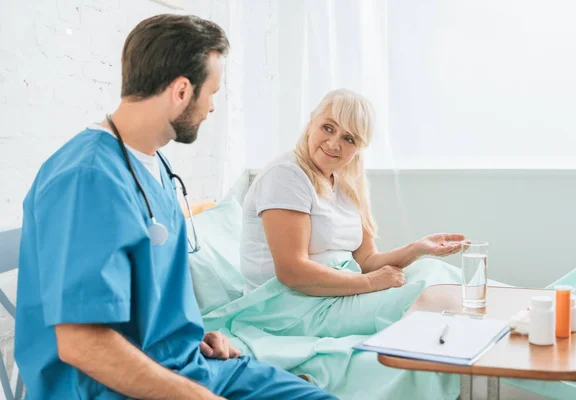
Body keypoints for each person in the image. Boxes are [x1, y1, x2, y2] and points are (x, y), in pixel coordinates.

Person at [15, 14, 336, 400]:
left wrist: (192, 336)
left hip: (185, 365)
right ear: (182, 91)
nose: (213, 108)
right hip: (109, 389)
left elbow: (149, 295)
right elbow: (82, 343)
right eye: (212, 93)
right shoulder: (87, 179)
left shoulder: (154, 164)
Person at [241, 88, 464, 298]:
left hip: (338, 289)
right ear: (311, 123)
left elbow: (367, 260)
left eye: (349, 139)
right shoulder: (286, 175)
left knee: (435, 273)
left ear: (359, 148)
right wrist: (371, 283)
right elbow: (292, 271)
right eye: (328, 128)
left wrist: (417, 248)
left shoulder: (347, 185)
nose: (334, 143)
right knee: (425, 296)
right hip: (287, 301)